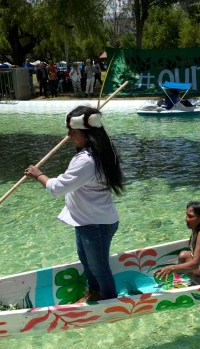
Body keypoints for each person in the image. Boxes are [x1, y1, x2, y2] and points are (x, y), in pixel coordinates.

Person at [24, 106, 125, 302]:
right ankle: (94, 295)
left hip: (95, 224)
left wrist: (38, 175)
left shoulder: (87, 161)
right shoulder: (98, 152)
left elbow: (58, 187)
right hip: (87, 221)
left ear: (87, 135)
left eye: (73, 131)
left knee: (99, 268)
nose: (68, 135)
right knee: (87, 263)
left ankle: (109, 303)